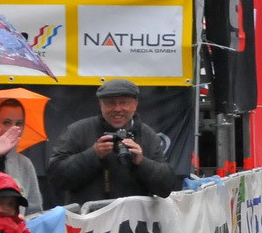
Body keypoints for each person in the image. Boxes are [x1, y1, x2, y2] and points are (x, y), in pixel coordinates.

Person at [48, 79, 185, 207]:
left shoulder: (147, 135)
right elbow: (57, 178)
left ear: (135, 104)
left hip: (133, 220)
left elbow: (166, 187)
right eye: (110, 103)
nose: (117, 109)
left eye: (124, 102)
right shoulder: (77, 131)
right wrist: (93, 155)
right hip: (90, 220)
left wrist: (142, 163)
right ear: (100, 104)